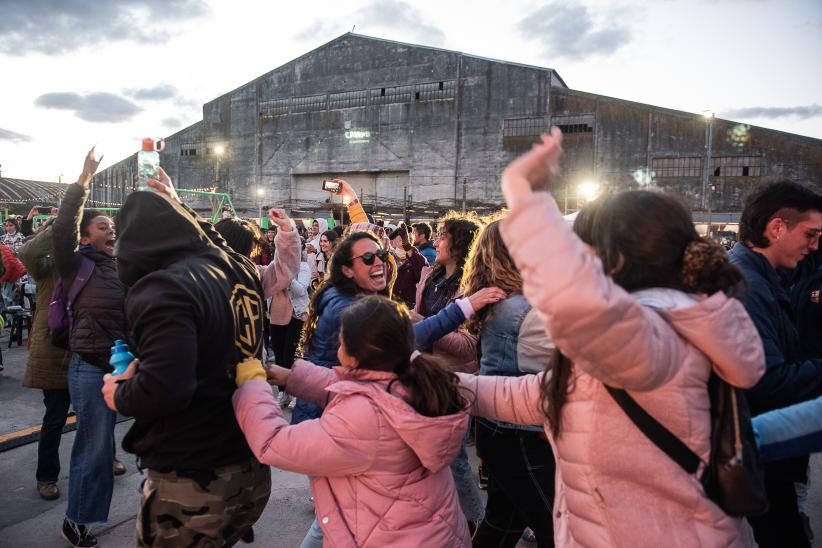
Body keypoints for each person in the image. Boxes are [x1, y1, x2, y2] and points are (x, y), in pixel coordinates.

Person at [457, 128, 766, 547]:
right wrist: (452, 385)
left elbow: (580, 307)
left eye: (582, 248)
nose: (579, 260)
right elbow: (555, 394)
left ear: (615, 258)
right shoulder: (656, 329)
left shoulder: (654, 333)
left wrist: (523, 194)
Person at [101, 168, 270, 547]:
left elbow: (167, 388)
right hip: (249, 465)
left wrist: (119, 392)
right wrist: (180, 206)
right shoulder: (238, 266)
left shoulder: (163, 287)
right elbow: (215, 243)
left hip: (195, 477)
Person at [234, 296, 473, 547]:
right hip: (427, 532)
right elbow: (359, 388)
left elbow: (274, 442)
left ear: (356, 355)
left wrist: (253, 386)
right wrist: (292, 377)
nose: (337, 351)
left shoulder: (361, 420)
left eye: (341, 342)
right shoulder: (410, 378)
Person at [727, 180, 822, 547]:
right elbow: (766, 380)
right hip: (762, 446)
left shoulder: (762, 276)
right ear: (776, 228)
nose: (814, 245)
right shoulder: (746, 285)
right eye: (810, 234)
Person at [462, 219, 556, 548]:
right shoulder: (521, 309)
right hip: (521, 435)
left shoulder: (508, 301)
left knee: (502, 525)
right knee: (559, 530)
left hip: (502, 431)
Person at [52, 147, 126, 548]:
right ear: (85, 236)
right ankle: (77, 518)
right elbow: (63, 226)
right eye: (102, 225)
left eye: (113, 225)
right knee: (95, 447)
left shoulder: (122, 266)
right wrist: (83, 180)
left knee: (116, 445)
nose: (110, 229)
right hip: (89, 367)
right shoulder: (75, 263)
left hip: (121, 368)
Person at [18, 218, 72, 500]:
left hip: (88, 350)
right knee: (55, 417)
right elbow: (26, 253)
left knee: (98, 415)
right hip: (54, 352)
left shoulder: (89, 261)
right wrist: (59, 225)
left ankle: (106, 457)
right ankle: (46, 477)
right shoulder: (47, 266)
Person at [388, 227, 427, 309]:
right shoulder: (387, 260)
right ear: (391, 243)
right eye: (401, 239)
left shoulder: (416, 259)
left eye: (409, 240)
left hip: (408, 308)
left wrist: (408, 249)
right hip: (390, 306)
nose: (405, 242)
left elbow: (424, 274)